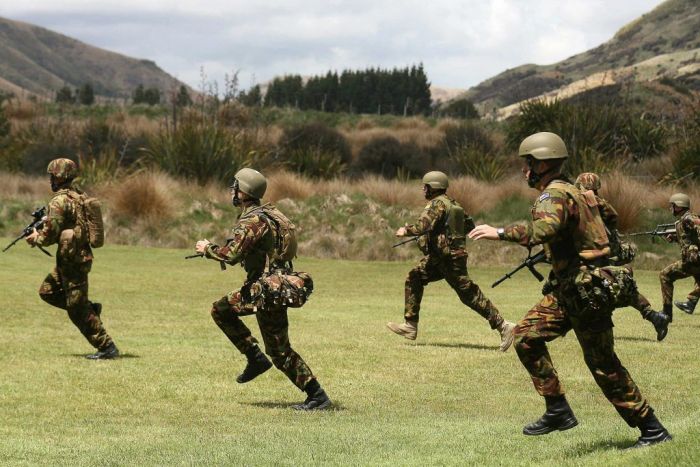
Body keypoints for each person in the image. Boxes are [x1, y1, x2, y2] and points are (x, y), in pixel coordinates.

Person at [469, 132, 671, 448]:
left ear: (543, 164)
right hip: (573, 290)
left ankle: (652, 429)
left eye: (528, 163)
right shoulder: (576, 192)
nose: (524, 170)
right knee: (526, 337)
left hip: (585, 292)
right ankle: (558, 410)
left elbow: (544, 229)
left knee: (604, 365)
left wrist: (499, 231)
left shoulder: (554, 195)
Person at [194, 168, 330, 410]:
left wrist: (207, 248)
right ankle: (309, 391)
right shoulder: (269, 213)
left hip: (266, 290)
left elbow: (231, 255)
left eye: (235, 187)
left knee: (223, 312)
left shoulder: (253, 220)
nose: (232, 192)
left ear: (243, 192)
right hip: (274, 286)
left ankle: (260, 360)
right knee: (276, 348)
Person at [387, 171, 516, 351]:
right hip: (444, 257)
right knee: (415, 276)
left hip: (448, 259)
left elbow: (421, 226)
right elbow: (469, 226)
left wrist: (405, 230)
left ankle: (504, 326)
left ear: (432, 187)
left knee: (469, 295)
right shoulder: (454, 204)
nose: (423, 189)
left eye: (425, 186)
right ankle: (410, 325)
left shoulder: (437, 204)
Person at [26, 158, 119, 359]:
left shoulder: (59, 201)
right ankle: (89, 309)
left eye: (53, 176)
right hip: (72, 258)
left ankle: (107, 347)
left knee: (76, 308)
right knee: (47, 292)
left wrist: (36, 238)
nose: (50, 180)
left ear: (61, 176)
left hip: (74, 261)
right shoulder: (78, 195)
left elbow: (50, 235)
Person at [574, 173, 669, 341]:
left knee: (598, 291)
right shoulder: (599, 207)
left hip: (598, 258)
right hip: (604, 256)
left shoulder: (590, 207)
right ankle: (655, 317)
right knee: (624, 291)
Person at [660, 193, 700, 320]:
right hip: (694, 260)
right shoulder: (685, 220)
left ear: (678, 206)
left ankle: (666, 313)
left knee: (665, 275)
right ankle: (690, 303)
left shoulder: (689, 219)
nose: (670, 208)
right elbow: (689, 239)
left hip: (693, 261)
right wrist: (674, 238)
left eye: (672, 205)